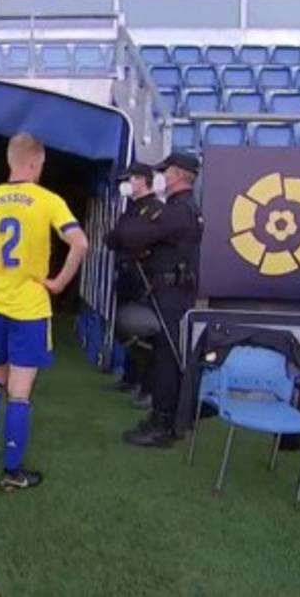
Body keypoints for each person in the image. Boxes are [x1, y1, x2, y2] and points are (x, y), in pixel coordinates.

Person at [0, 133, 89, 492]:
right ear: (35, 163)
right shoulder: (48, 200)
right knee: (19, 392)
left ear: (11, 161)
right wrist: (59, 283)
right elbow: (80, 242)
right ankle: (12, 470)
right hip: (30, 307)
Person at [113, 153, 203, 448]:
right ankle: (164, 417)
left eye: (165, 171)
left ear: (177, 174)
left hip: (171, 294)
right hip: (170, 291)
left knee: (166, 359)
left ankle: (164, 424)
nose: (161, 176)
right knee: (162, 353)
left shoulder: (178, 211)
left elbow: (128, 235)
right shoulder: (184, 208)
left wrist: (135, 241)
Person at [105, 164, 162, 405]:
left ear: (143, 180)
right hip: (127, 274)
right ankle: (131, 377)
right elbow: (112, 238)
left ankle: (148, 387)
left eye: (131, 179)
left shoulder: (155, 209)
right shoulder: (131, 208)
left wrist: (126, 240)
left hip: (143, 277)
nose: (127, 185)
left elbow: (132, 238)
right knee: (125, 328)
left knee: (144, 333)